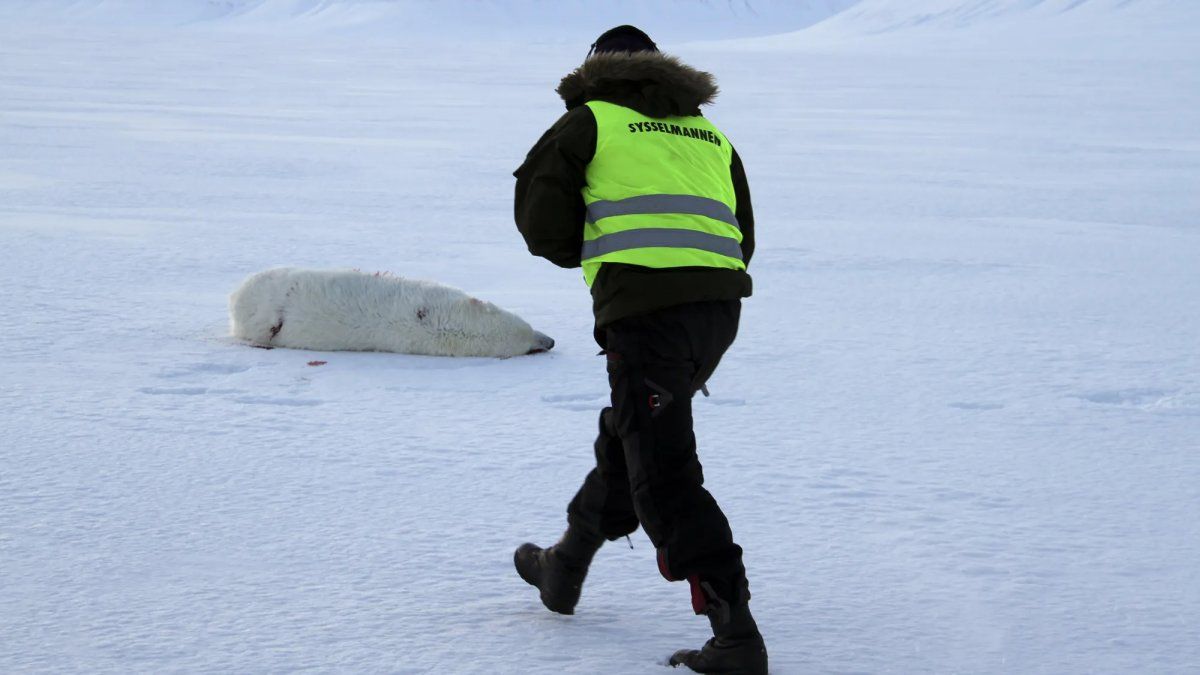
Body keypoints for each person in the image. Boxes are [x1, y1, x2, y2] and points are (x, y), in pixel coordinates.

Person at [511, 25, 766, 674]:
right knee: (637, 435)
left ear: (595, 70)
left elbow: (543, 228)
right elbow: (742, 234)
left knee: (664, 472)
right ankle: (565, 564)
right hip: (717, 314)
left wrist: (605, 253)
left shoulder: (591, 119)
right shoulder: (710, 134)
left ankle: (735, 633)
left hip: (646, 312)